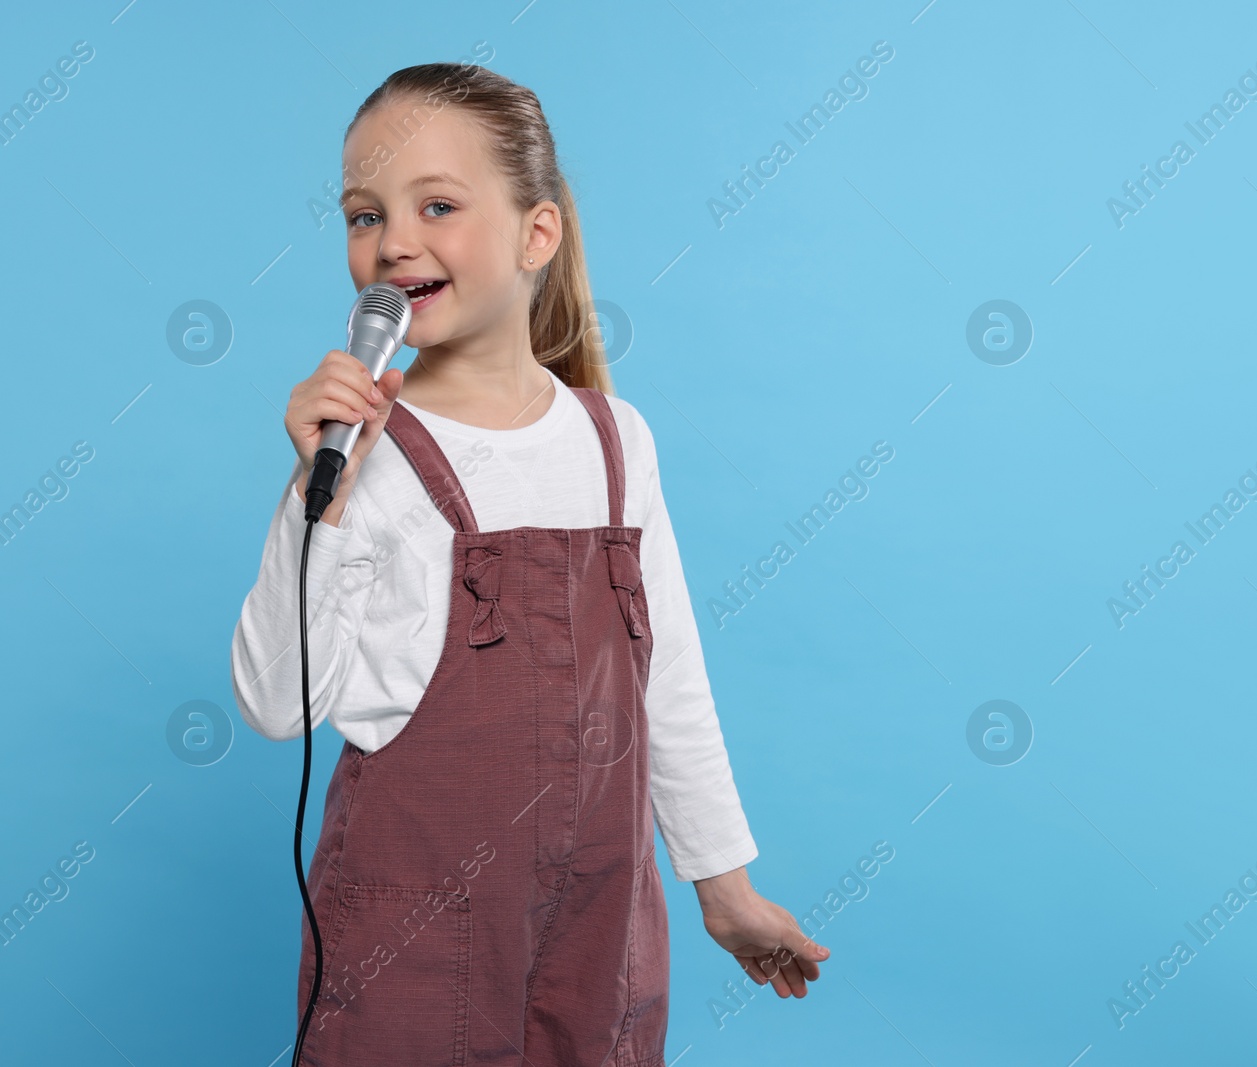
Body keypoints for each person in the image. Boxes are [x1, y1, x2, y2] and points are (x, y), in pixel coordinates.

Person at [229, 61, 828, 1065]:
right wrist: (312, 495)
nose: (393, 241)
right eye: (362, 214)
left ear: (535, 233)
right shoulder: (366, 454)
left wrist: (722, 886)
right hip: (409, 923)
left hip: (597, 920)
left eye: (438, 204)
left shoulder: (612, 440)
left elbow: (666, 672)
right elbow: (276, 704)